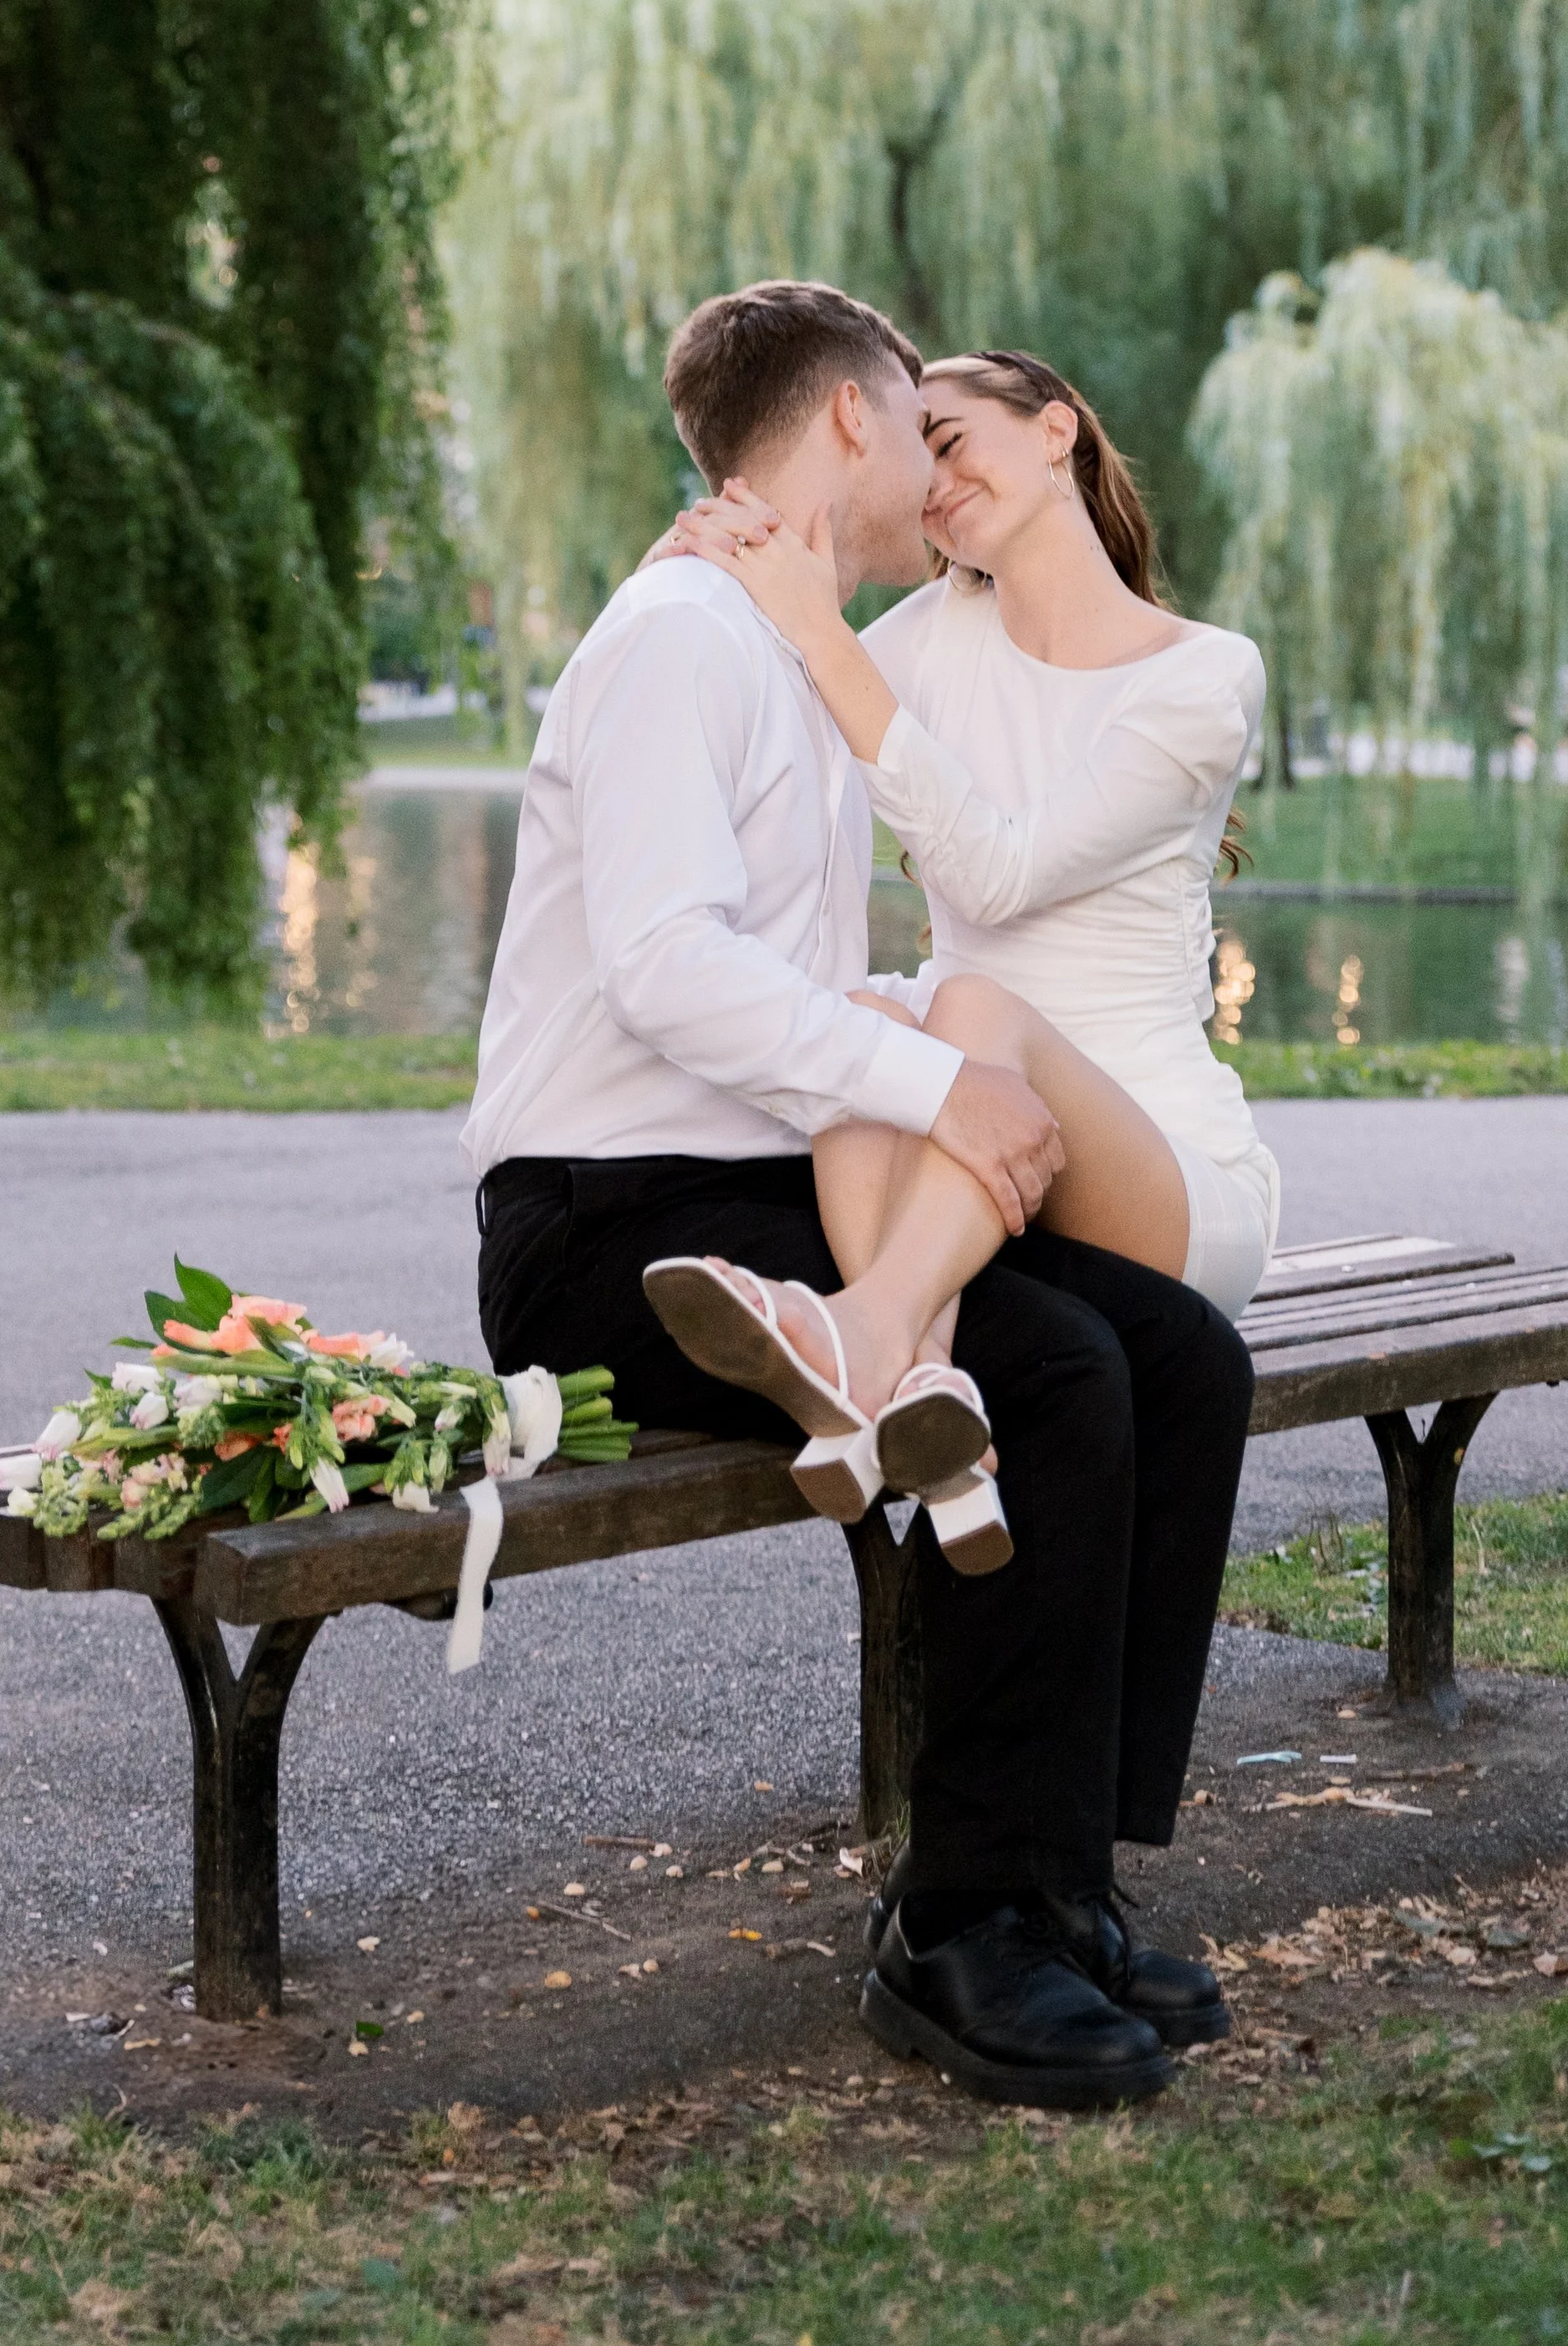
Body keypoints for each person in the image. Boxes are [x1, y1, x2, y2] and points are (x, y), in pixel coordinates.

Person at [466, 279, 1253, 2110]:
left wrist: (924, 1056)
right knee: (1053, 1374)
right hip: (605, 1230)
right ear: (847, 424)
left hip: (750, 1189)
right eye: (919, 425)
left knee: (1175, 1356)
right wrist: (941, 1078)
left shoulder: (787, 642)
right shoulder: (675, 636)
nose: (932, 468)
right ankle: (957, 1927)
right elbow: (663, 968)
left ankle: (1060, 1881)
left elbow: (796, 995)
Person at [656, 347, 1277, 1571]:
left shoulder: (1205, 676)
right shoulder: (927, 640)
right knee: (864, 1018)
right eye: (906, 457)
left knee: (964, 1011)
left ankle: (863, 1329)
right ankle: (923, 1396)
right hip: (981, 1172)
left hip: (1164, 1177)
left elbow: (998, 871)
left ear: (1057, 433)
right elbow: (755, 705)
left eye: (947, 444)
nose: (928, 486)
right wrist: (700, 571)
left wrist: (815, 623)